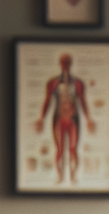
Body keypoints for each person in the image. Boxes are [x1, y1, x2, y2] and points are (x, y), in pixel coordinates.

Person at [33, 53, 94, 184]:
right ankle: (60, 176)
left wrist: (88, 119)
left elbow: (82, 101)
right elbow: (47, 101)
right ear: (60, 64)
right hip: (59, 119)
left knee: (73, 149)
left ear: (70, 63)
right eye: (63, 62)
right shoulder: (53, 82)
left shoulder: (78, 83)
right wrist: (41, 118)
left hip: (73, 119)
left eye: (67, 62)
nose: (65, 64)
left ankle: (72, 176)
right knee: (59, 149)